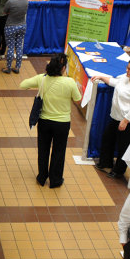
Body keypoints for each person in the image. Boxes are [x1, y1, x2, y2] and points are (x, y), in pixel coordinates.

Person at [20, 53, 81, 188]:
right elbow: (78, 99)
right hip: (62, 124)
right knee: (59, 151)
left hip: (44, 122)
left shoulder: (42, 79)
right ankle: (55, 180)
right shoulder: (69, 82)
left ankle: (42, 177)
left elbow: (23, 85)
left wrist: (41, 81)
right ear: (63, 68)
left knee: (43, 150)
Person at [91, 57, 130, 179]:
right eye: (127, 68)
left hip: (129, 120)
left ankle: (118, 171)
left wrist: (126, 121)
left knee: (124, 146)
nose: (127, 70)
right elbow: (115, 82)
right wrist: (101, 77)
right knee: (107, 138)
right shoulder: (127, 77)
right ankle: (105, 162)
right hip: (117, 116)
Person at [1, 0, 28, 74]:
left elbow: (5, 12)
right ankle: (17, 67)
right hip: (22, 25)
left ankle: (8, 68)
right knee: (19, 47)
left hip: (11, 26)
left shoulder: (10, 1)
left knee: (11, 47)